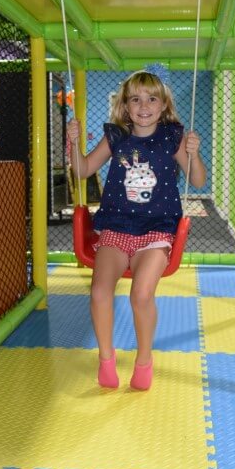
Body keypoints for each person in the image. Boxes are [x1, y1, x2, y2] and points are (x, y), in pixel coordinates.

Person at [67, 70, 207, 390]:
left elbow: (197, 180)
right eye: (135, 99)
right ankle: (106, 357)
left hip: (156, 230)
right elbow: (84, 168)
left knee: (141, 294)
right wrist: (72, 143)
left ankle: (144, 359)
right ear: (126, 106)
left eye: (151, 98)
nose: (144, 105)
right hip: (116, 226)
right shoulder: (117, 136)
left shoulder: (173, 137)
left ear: (163, 105)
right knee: (100, 292)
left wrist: (193, 153)